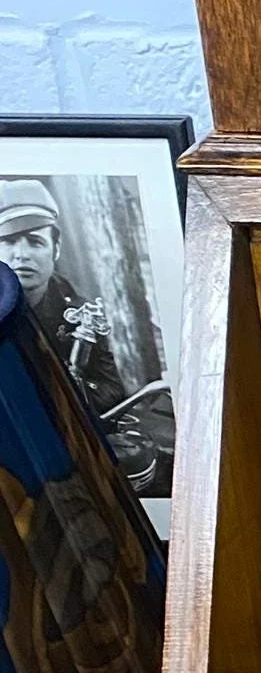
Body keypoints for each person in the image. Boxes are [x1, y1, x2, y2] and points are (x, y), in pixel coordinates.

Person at [0, 180, 174, 496]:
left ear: (56, 248)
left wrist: (69, 390)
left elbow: (112, 388)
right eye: (8, 241)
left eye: (34, 242)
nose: (21, 254)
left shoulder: (84, 314)